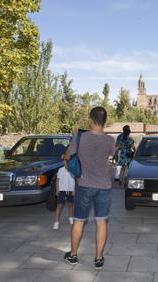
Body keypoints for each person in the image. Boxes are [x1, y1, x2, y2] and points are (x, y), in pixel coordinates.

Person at [63, 106, 116, 270]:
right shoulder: (110, 140)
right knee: (101, 222)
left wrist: (74, 135)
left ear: (90, 120)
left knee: (79, 221)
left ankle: (73, 255)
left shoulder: (80, 137)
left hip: (84, 185)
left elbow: (66, 157)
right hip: (104, 186)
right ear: (104, 121)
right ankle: (98, 259)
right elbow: (111, 156)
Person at [53, 156, 75, 229]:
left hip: (70, 189)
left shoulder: (73, 170)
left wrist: (74, 190)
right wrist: (57, 189)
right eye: (66, 161)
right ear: (63, 162)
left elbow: (75, 181)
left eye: (68, 161)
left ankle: (71, 217)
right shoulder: (60, 170)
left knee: (70, 204)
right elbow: (57, 180)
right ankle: (56, 222)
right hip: (62, 190)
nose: (67, 163)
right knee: (59, 205)